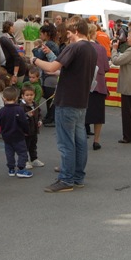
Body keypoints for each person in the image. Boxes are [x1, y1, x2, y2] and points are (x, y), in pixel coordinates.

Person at [32, 16, 97, 192]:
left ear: (75, 31)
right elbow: (68, 70)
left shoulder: (75, 47)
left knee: (66, 142)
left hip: (67, 100)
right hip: (81, 100)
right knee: (80, 140)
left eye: (68, 33)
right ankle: (77, 177)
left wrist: (34, 60)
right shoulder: (91, 48)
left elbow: (51, 67)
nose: (67, 37)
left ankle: (67, 179)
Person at [0, 86, 33, 178]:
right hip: (18, 136)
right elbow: (24, 123)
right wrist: (27, 131)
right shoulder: (19, 109)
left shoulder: (2, 110)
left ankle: (11, 169)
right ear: (16, 98)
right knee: (22, 152)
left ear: (3, 98)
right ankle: (21, 169)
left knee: (9, 153)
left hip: (6, 136)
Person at [86, 23, 110, 150]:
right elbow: (106, 68)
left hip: (83, 85)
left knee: (82, 114)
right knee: (98, 115)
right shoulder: (100, 49)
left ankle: (79, 137)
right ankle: (96, 140)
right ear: (93, 33)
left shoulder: (79, 46)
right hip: (98, 84)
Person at [33, 24, 60, 127]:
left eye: (41, 33)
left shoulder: (49, 44)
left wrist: (35, 49)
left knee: (49, 97)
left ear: (46, 34)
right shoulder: (53, 44)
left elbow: (39, 56)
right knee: (49, 96)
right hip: (50, 73)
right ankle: (50, 117)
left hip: (49, 74)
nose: (40, 35)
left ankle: (51, 118)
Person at [21, 84, 44, 167]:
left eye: (31, 95)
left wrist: (40, 120)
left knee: (33, 145)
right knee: (25, 147)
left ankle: (34, 159)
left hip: (34, 129)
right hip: (25, 131)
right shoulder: (21, 106)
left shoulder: (35, 104)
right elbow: (19, 118)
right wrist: (27, 116)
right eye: (27, 95)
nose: (29, 97)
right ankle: (25, 161)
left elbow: (39, 114)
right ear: (22, 96)